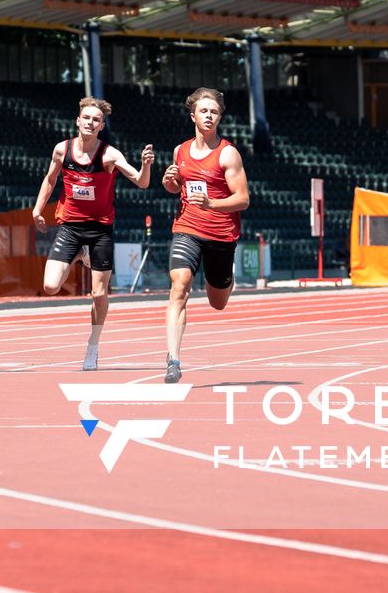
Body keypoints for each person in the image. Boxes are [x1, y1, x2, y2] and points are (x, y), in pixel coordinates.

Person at [30, 96, 154, 370]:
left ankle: (93, 345)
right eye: (86, 117)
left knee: (99, 294)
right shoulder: (62, 150)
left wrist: (146, 165)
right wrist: (38, 210)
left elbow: (142, 183)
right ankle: (79, 255)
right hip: (71, 227)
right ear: (78, 121)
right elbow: (50, 180)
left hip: (99, 230)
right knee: (50, 286)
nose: (90, 122)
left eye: (96, 119)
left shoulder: (110, 155)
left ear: (101, 125)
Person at [159, 88, 250, 383]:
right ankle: (173, 359)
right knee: (180, 285)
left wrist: (212, 204)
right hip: (187, 228)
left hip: (221, 235)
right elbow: (177, 189)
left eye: (214, 112)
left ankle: (226, 278)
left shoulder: (227, 153)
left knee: (218, 302)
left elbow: (243, 199)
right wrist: (168, 182)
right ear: (193, 116)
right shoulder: (179, 151)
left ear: (219, 117)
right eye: (204, 111)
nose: (209, 116)